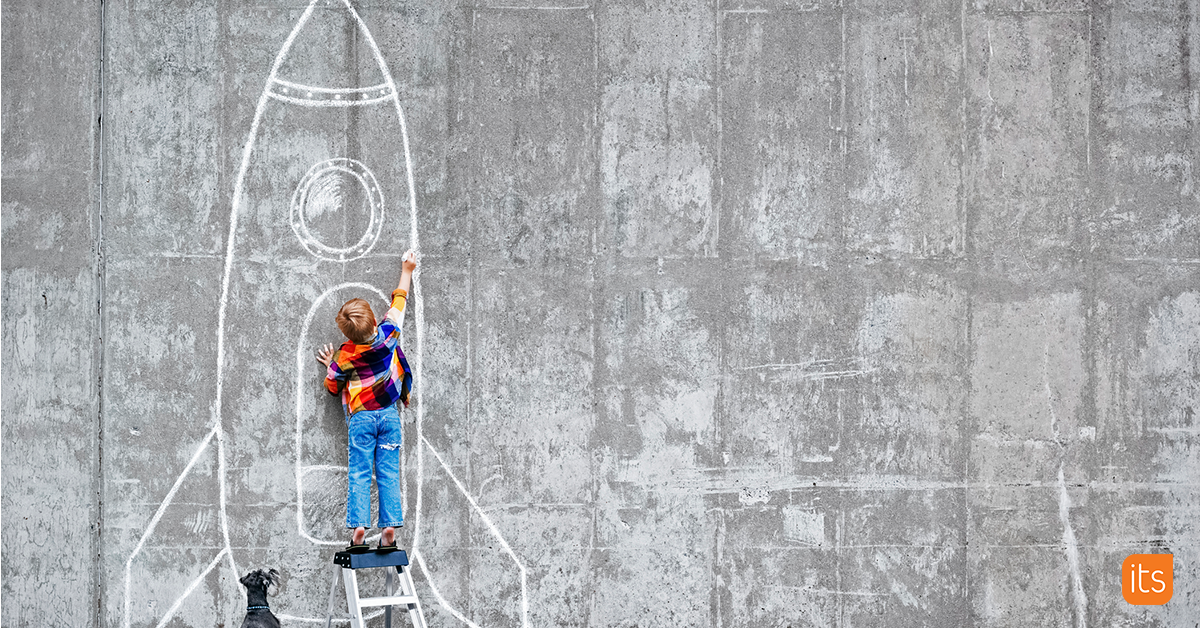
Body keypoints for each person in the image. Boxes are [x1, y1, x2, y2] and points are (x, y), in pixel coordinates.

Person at [316, 250, 416, 553]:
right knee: (388, 473)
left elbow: (333, 385)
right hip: (388, 417)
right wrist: (407, 269)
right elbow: (400, 301)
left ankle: (359, 529)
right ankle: (388, 530)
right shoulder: (388, 335)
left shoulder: (346, 354)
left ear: (347, 334)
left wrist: (330, 364)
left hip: (360, 419)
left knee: (360, 473)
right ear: (374, 319)